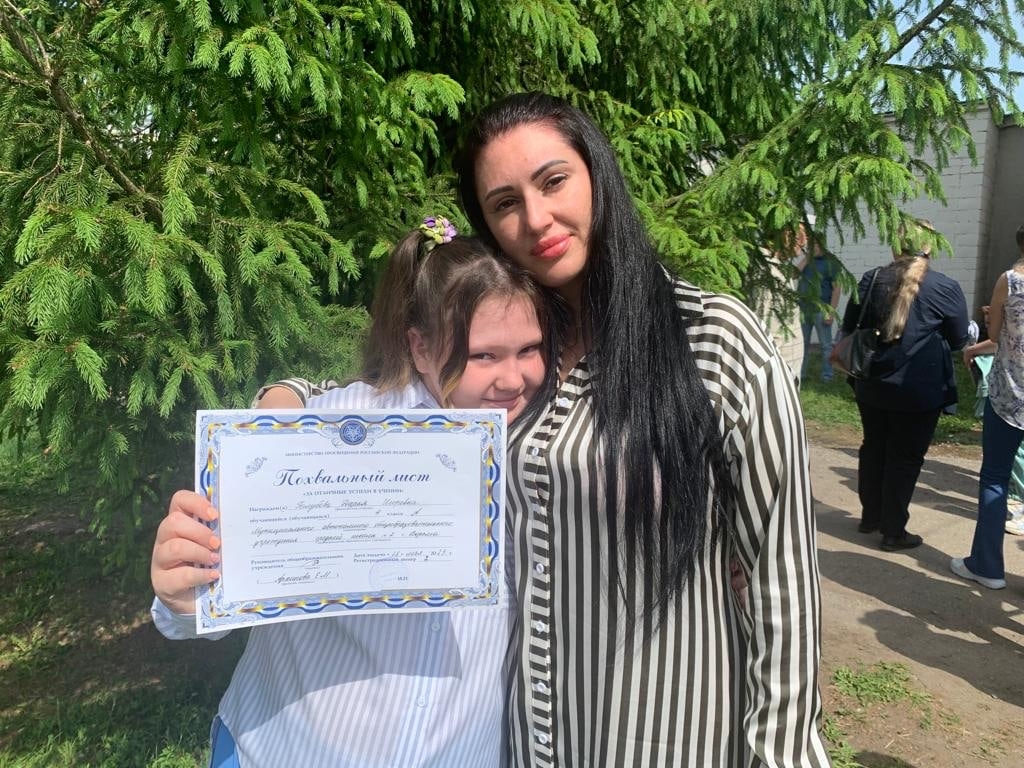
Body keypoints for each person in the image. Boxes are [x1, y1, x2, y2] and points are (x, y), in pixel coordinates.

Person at [456, 92, 827, 767]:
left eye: (553, 181)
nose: (535, 219)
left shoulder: (714, 343)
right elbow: (394, 398)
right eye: (505, 203)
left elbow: (783, 584)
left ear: (597, 175)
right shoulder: (502, 362)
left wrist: (780, 754)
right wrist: (291, 401)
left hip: (668, 738)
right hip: (527, 740)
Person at [150, 220, 560, 767]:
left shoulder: (552, 452)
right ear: (419, 347)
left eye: (529, 349)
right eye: (482, 356)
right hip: (282, 752)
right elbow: (205, 605)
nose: (512, 379)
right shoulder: (324, 429)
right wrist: (183, 596)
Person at [837, 221, 969, 551]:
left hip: (872, 383)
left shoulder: (871, 279)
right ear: (930, 247)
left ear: (894, 246)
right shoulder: (945, 287)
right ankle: (893, 532)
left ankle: (870, 517)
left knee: (874, 447)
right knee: (905, 458)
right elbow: (958, 339)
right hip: (919, 388)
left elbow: (850, 324)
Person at [953, 224, 1024, 587]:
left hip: (1008, 394)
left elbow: (994, 336)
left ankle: (986, 565)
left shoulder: (1010, 281)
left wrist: (993, 316)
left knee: (995, 476)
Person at [794, 227, 842, 383]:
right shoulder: (807, 261)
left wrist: (831, 312)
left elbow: (836, 289)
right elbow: (793, 274)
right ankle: (801, 374)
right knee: (802, 344)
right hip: (804, 309)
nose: (811, 248)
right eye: (810, 245)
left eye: (814, 245)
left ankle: (827, 375)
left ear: (821, 244)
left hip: (822, 309)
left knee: (826, 345)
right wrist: (806, 259)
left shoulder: (831, 262)